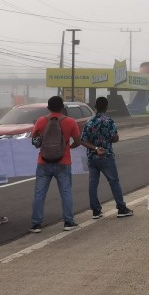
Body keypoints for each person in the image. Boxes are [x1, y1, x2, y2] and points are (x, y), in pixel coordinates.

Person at [29, 96, 81, 233]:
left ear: (48, 108)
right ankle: (68, 222)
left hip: (43, 162)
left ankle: (36, 224)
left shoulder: (41, 121)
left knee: (39, 194)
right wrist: (68, 147)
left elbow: (35, 142)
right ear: (62, 107)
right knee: (66, 193)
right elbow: (77, 141)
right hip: (63, 163)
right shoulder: (70, 122)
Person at [80, 97, 134, 219]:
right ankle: (121, 208)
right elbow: (115, 137)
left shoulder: (89, 122)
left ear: (95, 107)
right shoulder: (109, 121)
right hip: (106, 156)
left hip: (92, 157)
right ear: (106, 107)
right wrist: (109, 139)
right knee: (114, 182)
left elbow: (83, 141)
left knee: (93, 183)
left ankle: (96, 211)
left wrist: (94, 148)